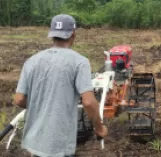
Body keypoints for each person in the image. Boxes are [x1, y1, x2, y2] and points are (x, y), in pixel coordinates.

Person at [14, 14, 108, 157]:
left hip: (33, 143)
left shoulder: (31, 61)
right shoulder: (79, 62)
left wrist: (42, 105)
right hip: (59, 145)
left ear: (52, 35)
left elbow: (19, 99)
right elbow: (88, 102)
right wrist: (100, 128)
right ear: (73, 34)